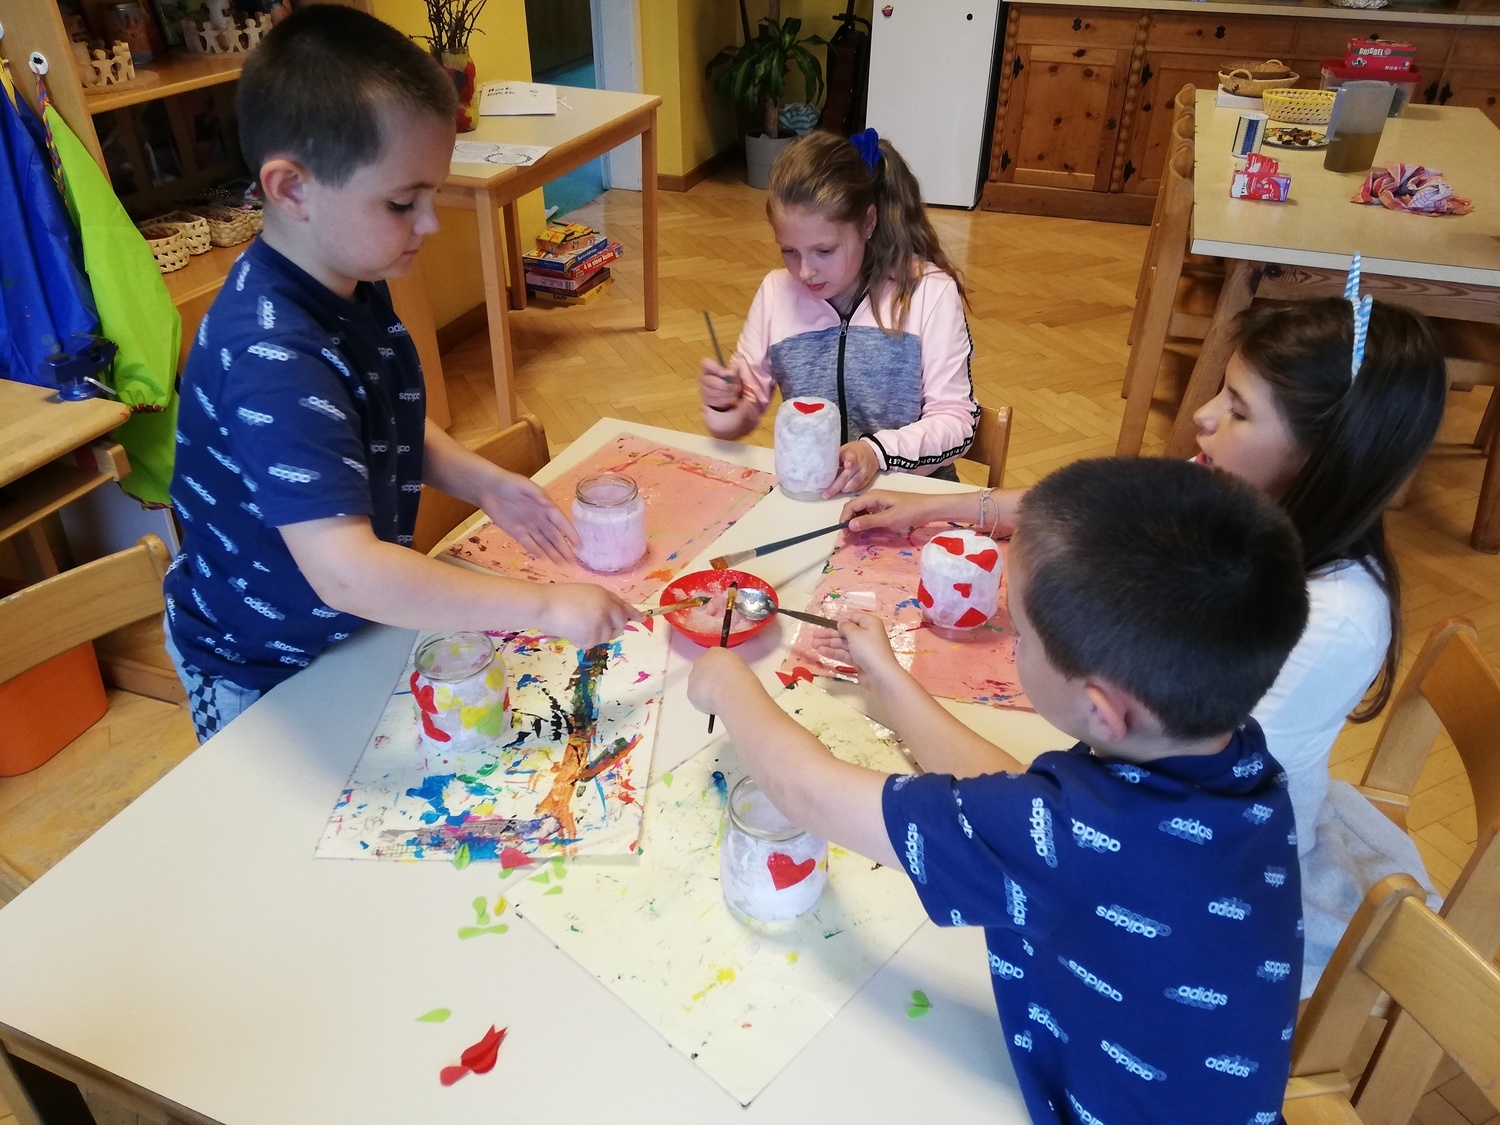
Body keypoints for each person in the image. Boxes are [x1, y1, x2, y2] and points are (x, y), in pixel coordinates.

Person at [842, 293, 1449, 993]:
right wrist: (942, 505)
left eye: (1239, 409)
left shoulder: (1334, 618)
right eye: (1221, 389)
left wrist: (893, 687)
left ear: (1323, 457)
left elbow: (1078, 827)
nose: (1203, 416)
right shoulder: (1239, 498)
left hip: (1203, 882)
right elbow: (1091, 520)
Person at [689, 457, 1311, 1125]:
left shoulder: (1066, 845)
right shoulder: (1240, 764)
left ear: (1101, 710)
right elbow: (1019, 801)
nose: (1013, 644)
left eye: (1019, 634)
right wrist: (891, 683)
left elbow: (808, 794)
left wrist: (726, 681)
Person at [163, 6, 637, 742]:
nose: (430, 223)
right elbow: (347, 571)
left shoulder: (348, 273)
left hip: (349, 634)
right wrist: (543, 606)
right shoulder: (270, 357)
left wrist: (482, 483)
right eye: (401, 202)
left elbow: (380, 419)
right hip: (261, 670)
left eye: (431, 194)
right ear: (291, 188)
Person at [699, 128, 979, 497]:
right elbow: (743, 413)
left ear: (868, 222)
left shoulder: (929, 293)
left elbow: (956, 422)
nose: (805, 272)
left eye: (824, 251)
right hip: (817, 496)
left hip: (914, 496)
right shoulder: (775, 294)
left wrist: (876, 453)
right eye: (789, 251)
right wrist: (724, 406)